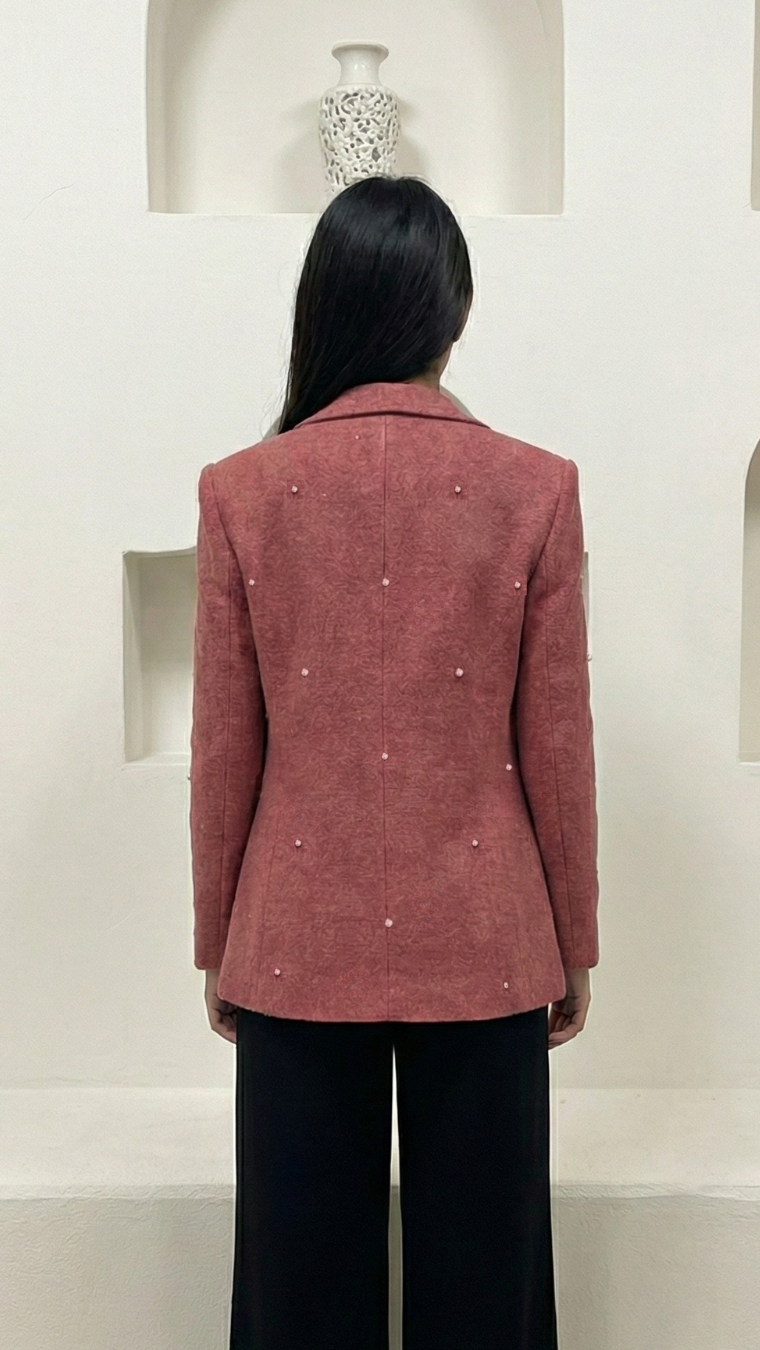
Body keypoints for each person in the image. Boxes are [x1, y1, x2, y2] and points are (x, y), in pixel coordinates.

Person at [189, 173, 599, 1350]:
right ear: (452, 312)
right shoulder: (536, 488)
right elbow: (555, 749)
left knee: (296, 1300)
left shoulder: (242, 493)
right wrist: (571, 945)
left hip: (291, 939)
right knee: (488, 1296)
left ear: (325, 308)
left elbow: (227, 752)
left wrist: (222, 945)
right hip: (489, 936)